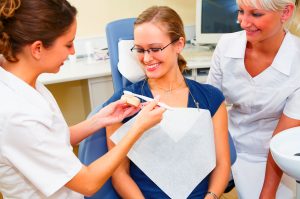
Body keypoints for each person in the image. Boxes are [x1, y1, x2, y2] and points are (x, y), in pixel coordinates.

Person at [0, 0, 165, 198]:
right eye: (68, 44)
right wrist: (137, 128)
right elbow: (88, 183)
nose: (73, 52)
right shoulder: (16, 114)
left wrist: (99, 120)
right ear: (37, 49)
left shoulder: (23, 81)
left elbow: (50, 139)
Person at [105, 6, 231, 199]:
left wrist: (211, 196)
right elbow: (119, 174)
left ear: (179, 44)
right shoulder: (123, 104)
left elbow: (222, 163)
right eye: (140, 50)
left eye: (155, 49)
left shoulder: (210, 99)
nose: (146, 58)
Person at [206, 0, 300, 198]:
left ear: (285, 12)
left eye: (255, 14)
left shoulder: (297, 61)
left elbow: (282, 137)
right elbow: (211, 107)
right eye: (241, 11)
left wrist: (267, 193)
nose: (243, 22)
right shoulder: (227, 45)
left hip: (271, 153)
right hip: (227, 142)